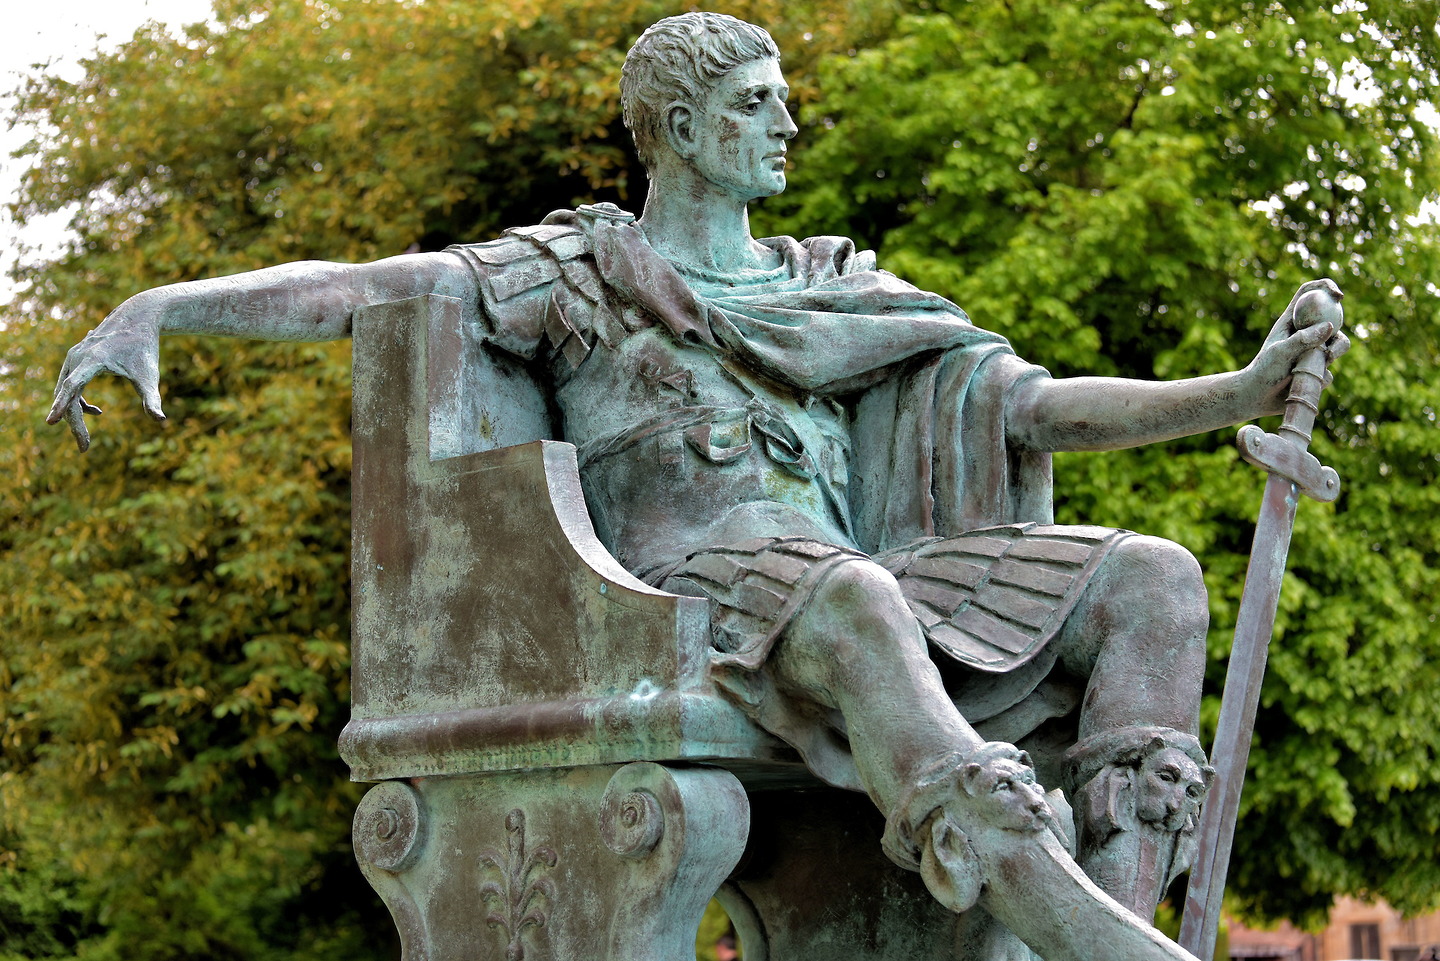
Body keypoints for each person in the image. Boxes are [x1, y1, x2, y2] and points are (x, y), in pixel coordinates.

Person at [48, 12, 1347, 961]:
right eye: (754, 103)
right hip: (680, 590)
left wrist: (1236, 390)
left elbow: (1030, 402)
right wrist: (167, 305)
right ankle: (1024, 871)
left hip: (856, 591)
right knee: (843, 593)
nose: (787, 121)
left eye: (783, 100)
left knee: (1154, 579)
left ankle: (1108, 927)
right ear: (677, 128)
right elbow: (378, 290)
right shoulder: (579, 274)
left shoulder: (829, 281)